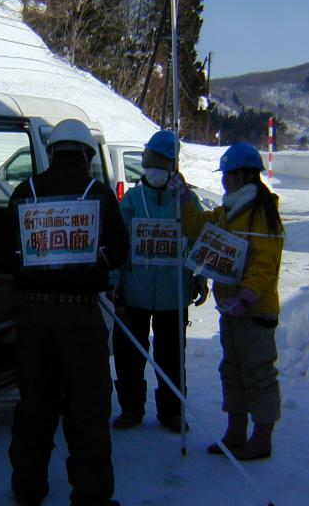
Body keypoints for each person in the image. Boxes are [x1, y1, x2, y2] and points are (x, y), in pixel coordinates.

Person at [7, 119, 128, 506]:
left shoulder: (24, 192)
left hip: (34, 317)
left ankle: (27, 488)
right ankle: (91, 496)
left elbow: (9, 252)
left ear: (53, 152)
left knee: (34, 405)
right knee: (87, 408)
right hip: (80, 317)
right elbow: (119, 252)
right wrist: (90, 262)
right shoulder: (98, 194)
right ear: (86, 154)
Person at [176, 142, 284, 461]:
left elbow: (265, 262)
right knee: (232, 371)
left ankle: (261, 438)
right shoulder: (229, 211)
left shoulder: (261, 214)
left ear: (244, 176)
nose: (224, 181)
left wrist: (248, 294)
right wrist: (185, 199)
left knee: (259, 374)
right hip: (231, 309)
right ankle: (235, 432)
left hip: (254, 312)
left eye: (228, 175)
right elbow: (199, 229)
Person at [111, 130, 208, 433]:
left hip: (173, 293)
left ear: (173, 166)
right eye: (150, 162)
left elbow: (200, 239)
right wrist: (115, 282)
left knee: (171, 357)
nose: (154, 168)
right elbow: (118, 244)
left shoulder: (186, 201)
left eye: (162, 163)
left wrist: (201, 277)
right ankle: (131, 407)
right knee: (129, 354)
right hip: (134, 292)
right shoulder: (132, 200)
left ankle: (172, 411)